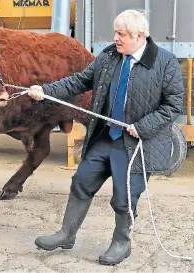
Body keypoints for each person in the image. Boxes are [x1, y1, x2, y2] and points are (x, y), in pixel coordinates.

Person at [28, 10, 184, 265]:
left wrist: (143, 126)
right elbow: (79, 82)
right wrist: (45, 91)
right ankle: (66, 235)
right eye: (116, 32)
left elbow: (173, 106)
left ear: (140, 35)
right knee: (81, 181)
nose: (115, 38)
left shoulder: (165, 63)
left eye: (121, 34)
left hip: (135, 144)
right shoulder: (109, 56)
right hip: (105, 137)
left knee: (123, 198)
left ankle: (122, 243)